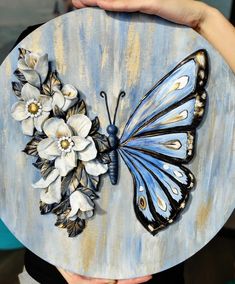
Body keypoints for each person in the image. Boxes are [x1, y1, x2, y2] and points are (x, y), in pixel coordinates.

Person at [14, 1, 235, 283]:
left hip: (160, 268)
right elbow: (16, 176)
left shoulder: (190, 42)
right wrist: (54, 246)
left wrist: (204, 19)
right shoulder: (37, 46)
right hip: (50, 272)